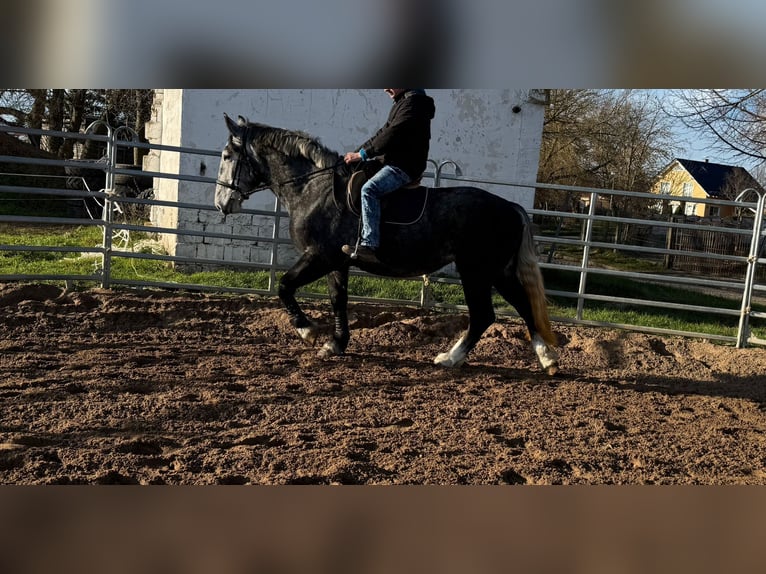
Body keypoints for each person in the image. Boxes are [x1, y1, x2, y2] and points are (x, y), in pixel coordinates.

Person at [342, 88, 436, 264]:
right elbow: (382, 133)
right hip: (392, 162)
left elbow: (392, 134)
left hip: (403, 166)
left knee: (369, 190)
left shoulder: (413, 104)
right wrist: (356, 154)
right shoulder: (403, 102)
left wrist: (363, 154)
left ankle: (370, 244)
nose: (385, 88)